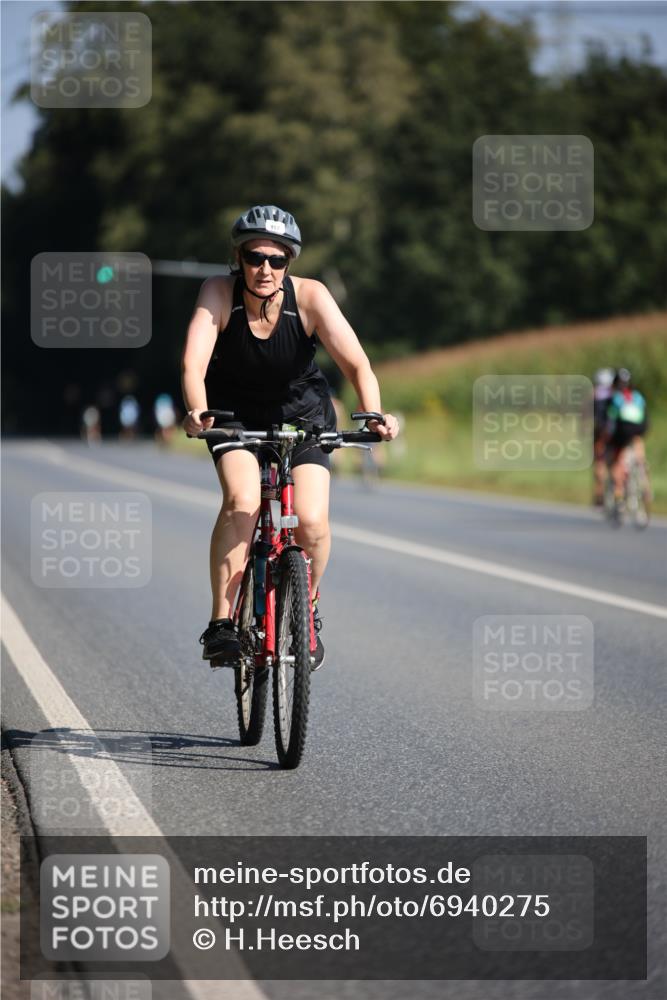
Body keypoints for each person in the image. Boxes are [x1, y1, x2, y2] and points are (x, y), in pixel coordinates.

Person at [181, 204, 399, 670]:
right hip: (233, 414)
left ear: (289, 262)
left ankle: (306, 609)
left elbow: (357, 364)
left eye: (276, 259)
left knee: (312, 521)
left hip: (303, 414)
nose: (265, 269)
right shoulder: (218, 292)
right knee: (242, 501)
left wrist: (374, 413)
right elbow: (193, 364)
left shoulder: (312, 297)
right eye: (255, 257)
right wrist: (198, 410)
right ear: (238, 258)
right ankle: (222, 623)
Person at [603, 368, 649, 514]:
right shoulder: (638, 396)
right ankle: (645, 485)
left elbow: (610, 422)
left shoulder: (615, 398)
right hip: (640, 429)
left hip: (622, 432)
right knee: (640, 456)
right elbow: (645, 415)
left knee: (617, 464)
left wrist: (606, 438)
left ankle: (619, 497)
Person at [592, 367, 615, 506]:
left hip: (601, 431)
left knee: (599, 461)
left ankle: (599, 495)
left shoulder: (594, 394)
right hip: (616, 431)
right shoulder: (616, 393)